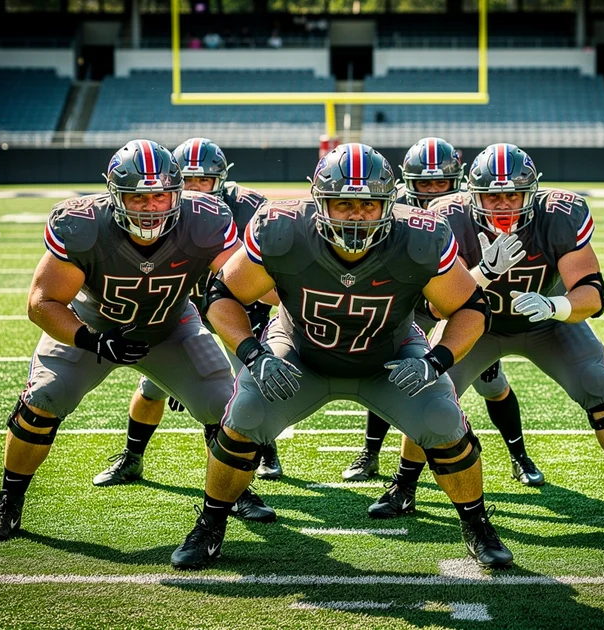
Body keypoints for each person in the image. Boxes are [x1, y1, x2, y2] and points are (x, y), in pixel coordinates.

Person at [170, 143, 513, 571]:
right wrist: (253, 353)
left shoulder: (422, 236)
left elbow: (471, 308)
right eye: (343, 203)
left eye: (367, 205)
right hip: (299, 351)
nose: (355, 215)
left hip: (388, 356)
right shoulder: (282, 228)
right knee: (246, 411)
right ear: (318, 201)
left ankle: (477, 524)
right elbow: (222, 295)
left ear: (390, 204)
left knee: (443, 419)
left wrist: (437, 360)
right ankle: (211, 523)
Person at [368, 143, 604, 526]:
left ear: (532, 192)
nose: (503, 205)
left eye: (513, 194)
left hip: (545, 322)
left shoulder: (558, 214)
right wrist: (482, 274)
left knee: (597, 382)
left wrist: (555, 306)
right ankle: (404, 488)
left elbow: (592, 294)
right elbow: (438, 305)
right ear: (471, 193)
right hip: (477, 325)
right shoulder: (449, 217)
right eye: (493, 196)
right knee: (429, 392)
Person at [0, 140, 241, 542]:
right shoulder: (82, 222)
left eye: (161, 195)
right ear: (115, 195)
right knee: (45, 396)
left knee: (227, 408)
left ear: (178, 191)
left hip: (172, 323)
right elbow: (42, 302)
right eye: (137, 197)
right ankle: (9, 500)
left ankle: (217, 516)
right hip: (95, 321)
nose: (151, 207)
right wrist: (93, 341)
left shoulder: (206, 217)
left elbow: (241, 284)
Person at [91, 138, 279, 522]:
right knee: (151, 388)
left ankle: (257, 460)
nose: (195, 189)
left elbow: (263, 270)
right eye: (187, 181)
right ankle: (132, 456)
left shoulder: (249, 208)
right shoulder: (161, 210)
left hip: (232, 307)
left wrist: (257, 314)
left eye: (203, 181)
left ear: (221, 181)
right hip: (178, 308)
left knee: (250, 384)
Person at [342, 137, 542, 491]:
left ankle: (519, 455)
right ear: (406, 184)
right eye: (424, 184)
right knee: (390, 374)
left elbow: (470, 282)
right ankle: (370, 452)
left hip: (459, 304)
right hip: (410, 306)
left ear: (460, 184)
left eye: (442, 184)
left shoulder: (468, 211)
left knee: (491, 382)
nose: (434, 193)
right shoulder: (391, 209)